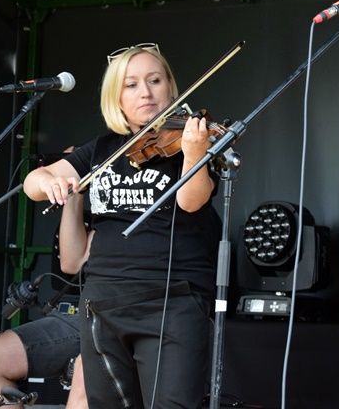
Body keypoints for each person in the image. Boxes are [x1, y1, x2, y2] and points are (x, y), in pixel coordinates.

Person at [23, 43, 220, 409]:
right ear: (116, 98)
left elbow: (191, 201)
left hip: (172, 300)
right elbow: (34, 182)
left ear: (171, 89)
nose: (145, 92)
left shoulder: (189, 144)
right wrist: (47, 181)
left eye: (154, 80)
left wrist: (195, 154)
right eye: (131, 85)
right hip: (104, 303)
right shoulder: (101, 150)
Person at [0, 183, 88, 408]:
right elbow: (70, 263)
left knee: (87, 374)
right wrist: (75, 189)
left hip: (126, 312)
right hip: (81, 312)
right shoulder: (92, 208)